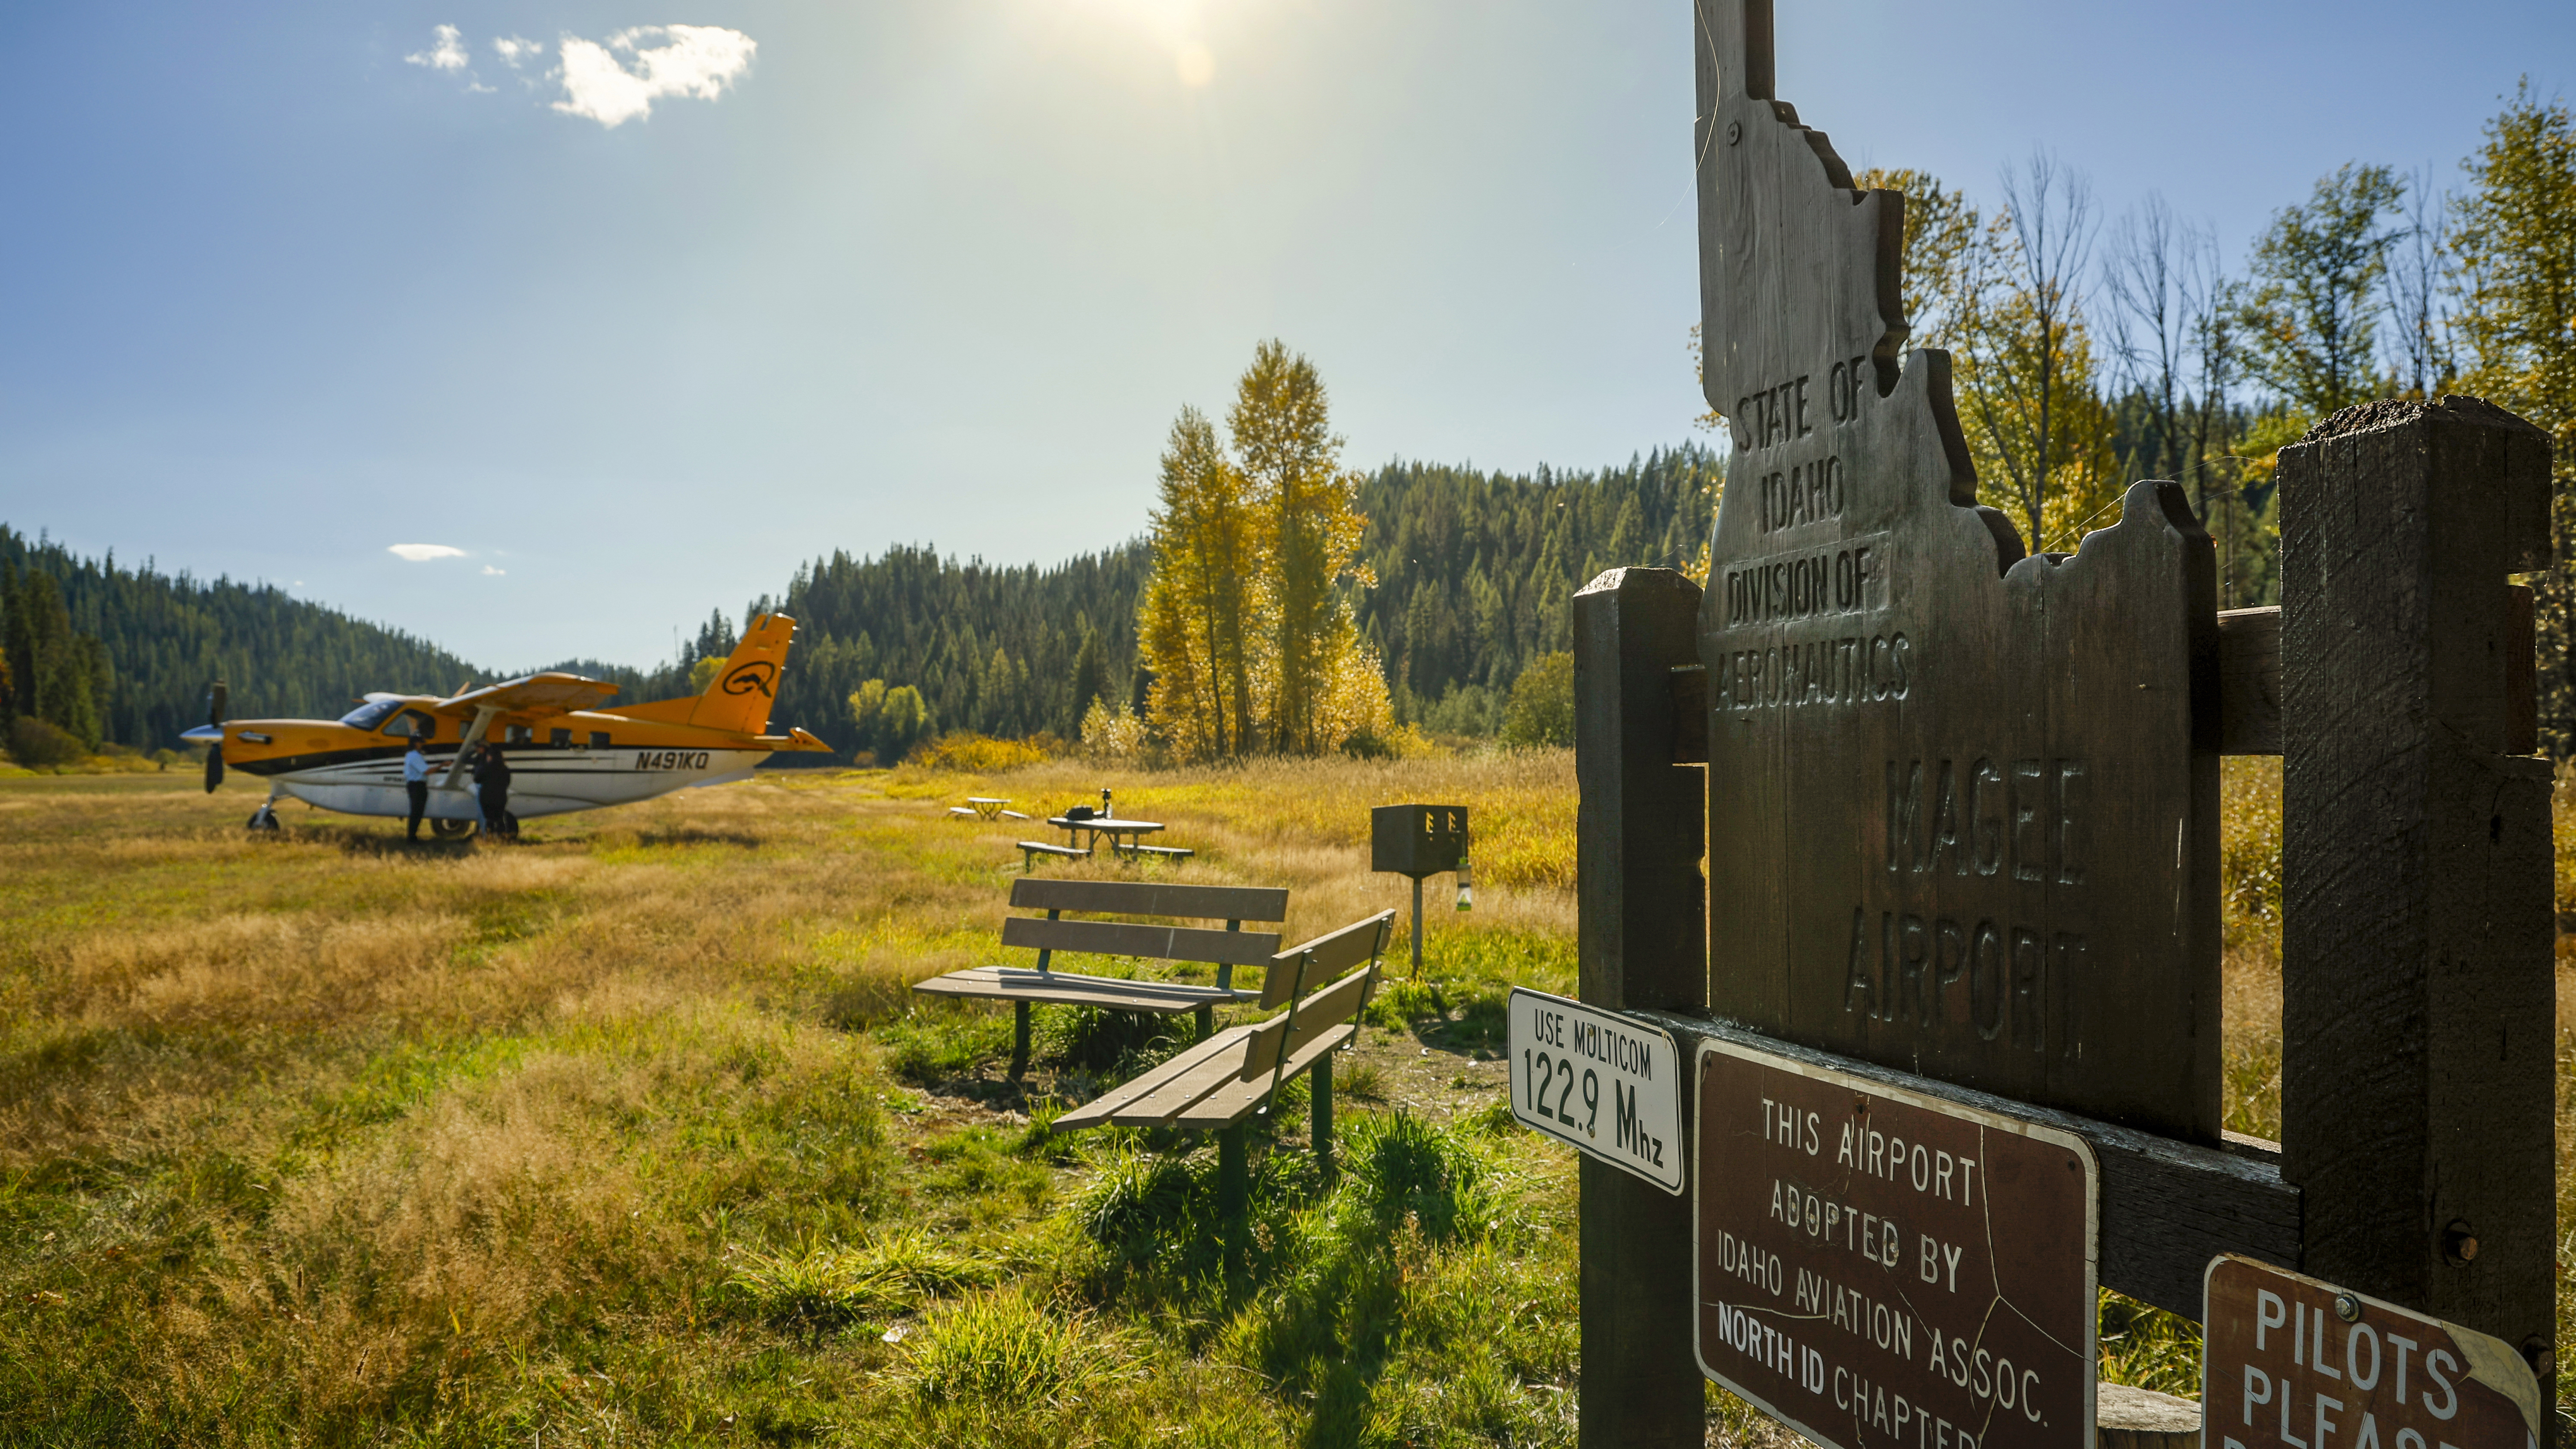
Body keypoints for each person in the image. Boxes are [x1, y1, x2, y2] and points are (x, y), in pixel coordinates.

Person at [474, 744, 512, 840]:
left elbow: (477, 779)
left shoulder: (485, 768)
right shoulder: (505, 770)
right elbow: (507, 783)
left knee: (489, 818)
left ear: (490, 757)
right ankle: (502, 836)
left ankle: (489, 836)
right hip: (501, 797)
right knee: (500, 818)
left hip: (486, 797)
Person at [403, 732, 432, 840]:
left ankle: (412, 836)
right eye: (420, 743)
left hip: (414, 785)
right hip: (418, 786)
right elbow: (427, 771)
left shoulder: (410, 755)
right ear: (416, 743)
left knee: (416, 811)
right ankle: (412, 837)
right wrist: (442, 766)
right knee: (417, 812)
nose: (422, 745)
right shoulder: (416, 756)